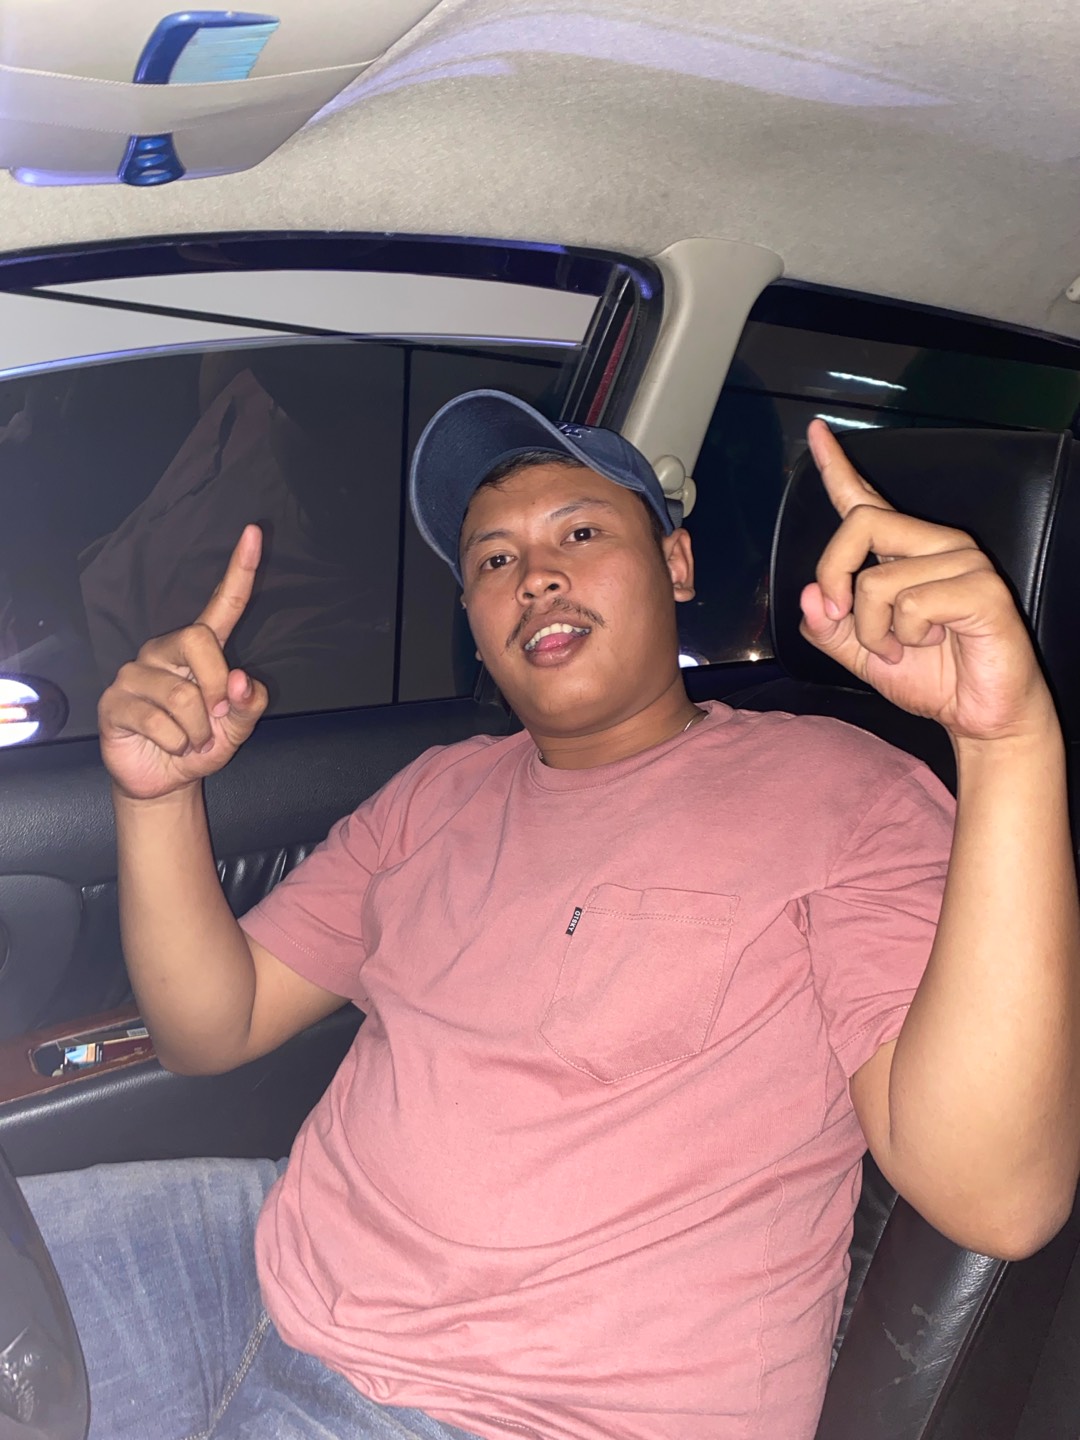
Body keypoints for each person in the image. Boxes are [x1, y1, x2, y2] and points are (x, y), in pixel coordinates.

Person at [21, 390, 1080, 1440]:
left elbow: (999, 1200)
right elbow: (213, 1027)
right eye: (493, 560)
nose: (533, 575)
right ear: (477, 626)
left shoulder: (843, 792)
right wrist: (156, 800)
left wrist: (1005, 742)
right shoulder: (437, 792)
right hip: (268, 1259)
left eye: (580, 532)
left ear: (676, 564)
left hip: (521, 1411)